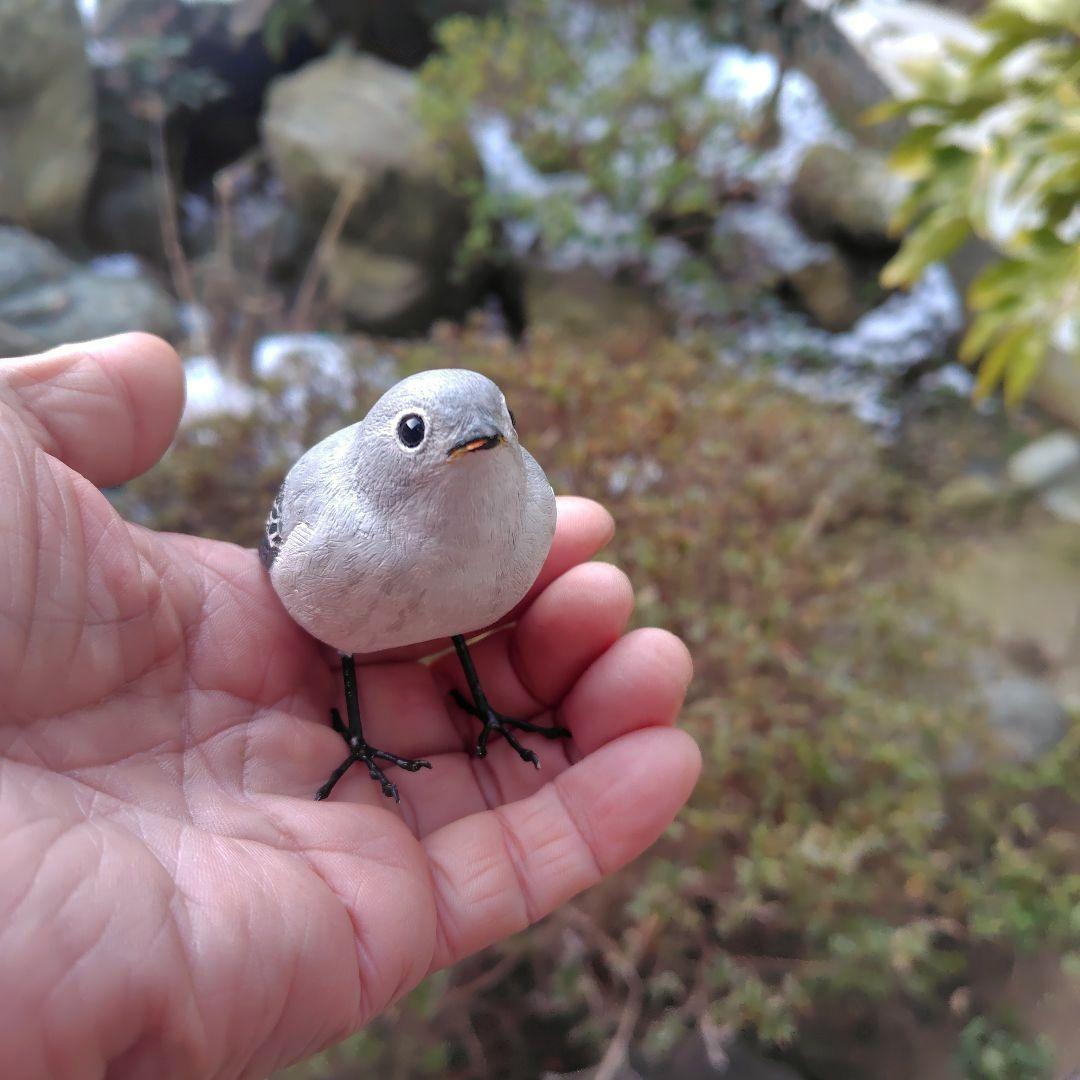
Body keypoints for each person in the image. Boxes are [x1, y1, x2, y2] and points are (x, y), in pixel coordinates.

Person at [0, 334, 700, 1077]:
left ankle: (487, 709)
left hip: (463, 610)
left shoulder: (529, 509)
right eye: (416, 433)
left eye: (499, 425)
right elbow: (277, 553)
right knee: (354, 651)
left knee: (486, 627)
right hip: (339, 634)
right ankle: (359, 738)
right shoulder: (333, 517)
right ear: (387, 444)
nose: (480, 441)